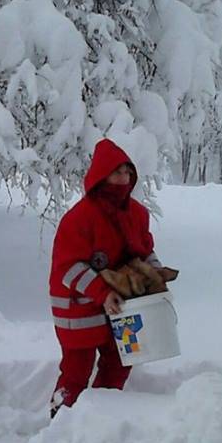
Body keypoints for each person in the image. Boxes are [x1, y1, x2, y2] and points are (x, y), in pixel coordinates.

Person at [48, 138, 167, 417]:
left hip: (122, 305)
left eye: (127, 172)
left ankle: (101, 417)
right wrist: (102, 293)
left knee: (120, 362)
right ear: (101, 175)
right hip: (78, 307)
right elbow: (68, 267)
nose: (123, 179)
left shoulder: (137, 214)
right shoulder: (79, 218)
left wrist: (156, 275)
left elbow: (144, 251)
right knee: (77, 371)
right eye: (117, 173)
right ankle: (60, 421)